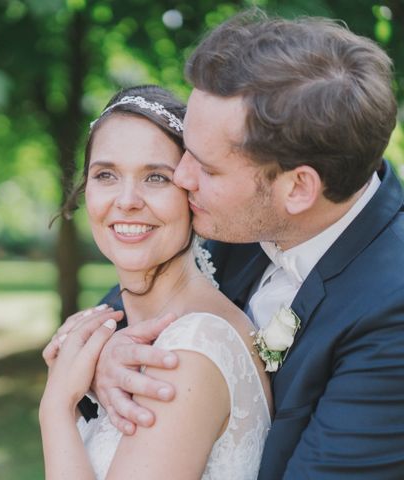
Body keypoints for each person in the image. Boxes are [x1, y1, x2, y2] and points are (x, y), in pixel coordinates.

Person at [91, 11, 404, 479]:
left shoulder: (392, 316)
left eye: (207, 167)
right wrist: (104, 359)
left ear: (298, 189)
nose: (181, 177)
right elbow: (128, 304)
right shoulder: (234, 217)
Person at [39, 85, 273, 479]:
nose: (127, 199)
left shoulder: (193, 349)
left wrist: (56, 409)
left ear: (191, 193)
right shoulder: (121, 331)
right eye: (106, 174)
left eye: (156, 178)